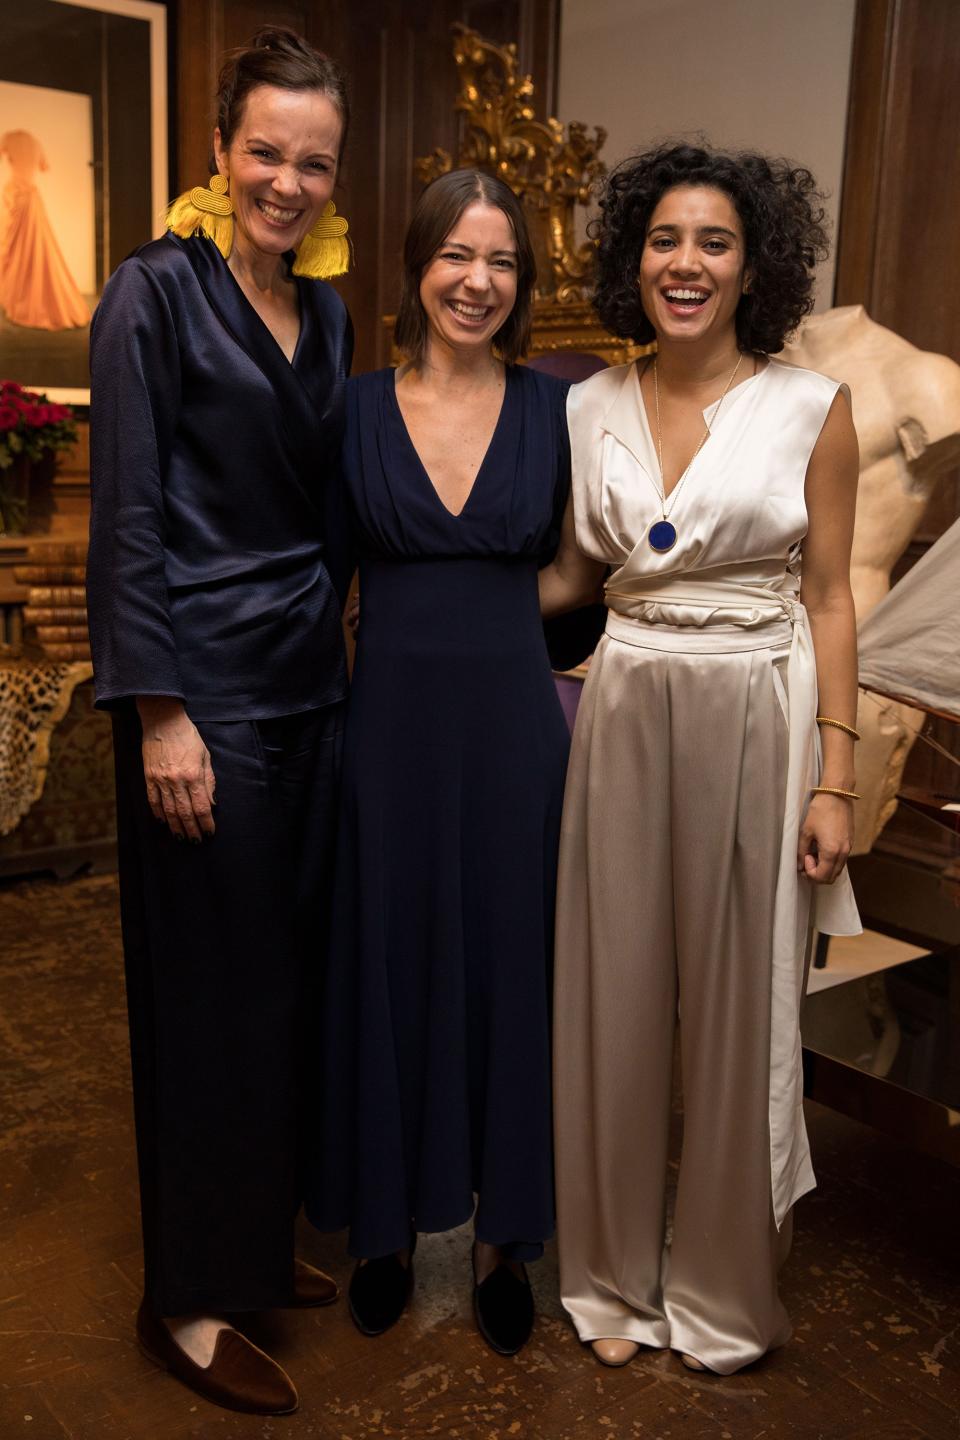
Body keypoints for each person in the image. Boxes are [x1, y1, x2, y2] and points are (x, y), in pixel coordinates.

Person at [540, 142, 862, 1375]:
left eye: (713, 242)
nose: (686, 262)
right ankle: (612, 1282)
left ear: (752, 265)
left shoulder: (811, 408)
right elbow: (576, 574)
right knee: (610, 1000)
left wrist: (835, 775)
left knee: (738, 1011)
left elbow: (829, 598)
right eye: (665, 239)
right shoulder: (586, 405)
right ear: (636, 259)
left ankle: (724, 1296)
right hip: (622, 704)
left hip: (757, 708)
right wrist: (433, 615)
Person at [86, 28, 353, 1416]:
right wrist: (158, 712)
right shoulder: (154, 292)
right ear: (219, 150)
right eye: (266, 151)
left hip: (313, 695)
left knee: (282, 997)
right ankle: (184, 1302)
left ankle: (250, 1246)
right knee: (205, 1005)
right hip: (207, 700)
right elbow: (126, 517)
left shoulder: (334, 310)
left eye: (313, 160)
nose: (287, 181)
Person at [308, 169, 572, 1357]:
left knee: (512, 966)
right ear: (415, 266)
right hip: (390, 731)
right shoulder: (354, 407)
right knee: (387, 957)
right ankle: (380, 1227)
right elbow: (316, 580)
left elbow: (587, 569)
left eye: (502, 262)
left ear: (522, 282)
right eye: (457, 257)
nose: (478, 282)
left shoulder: (559, 409)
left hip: (516, 729)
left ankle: (509, 1237)